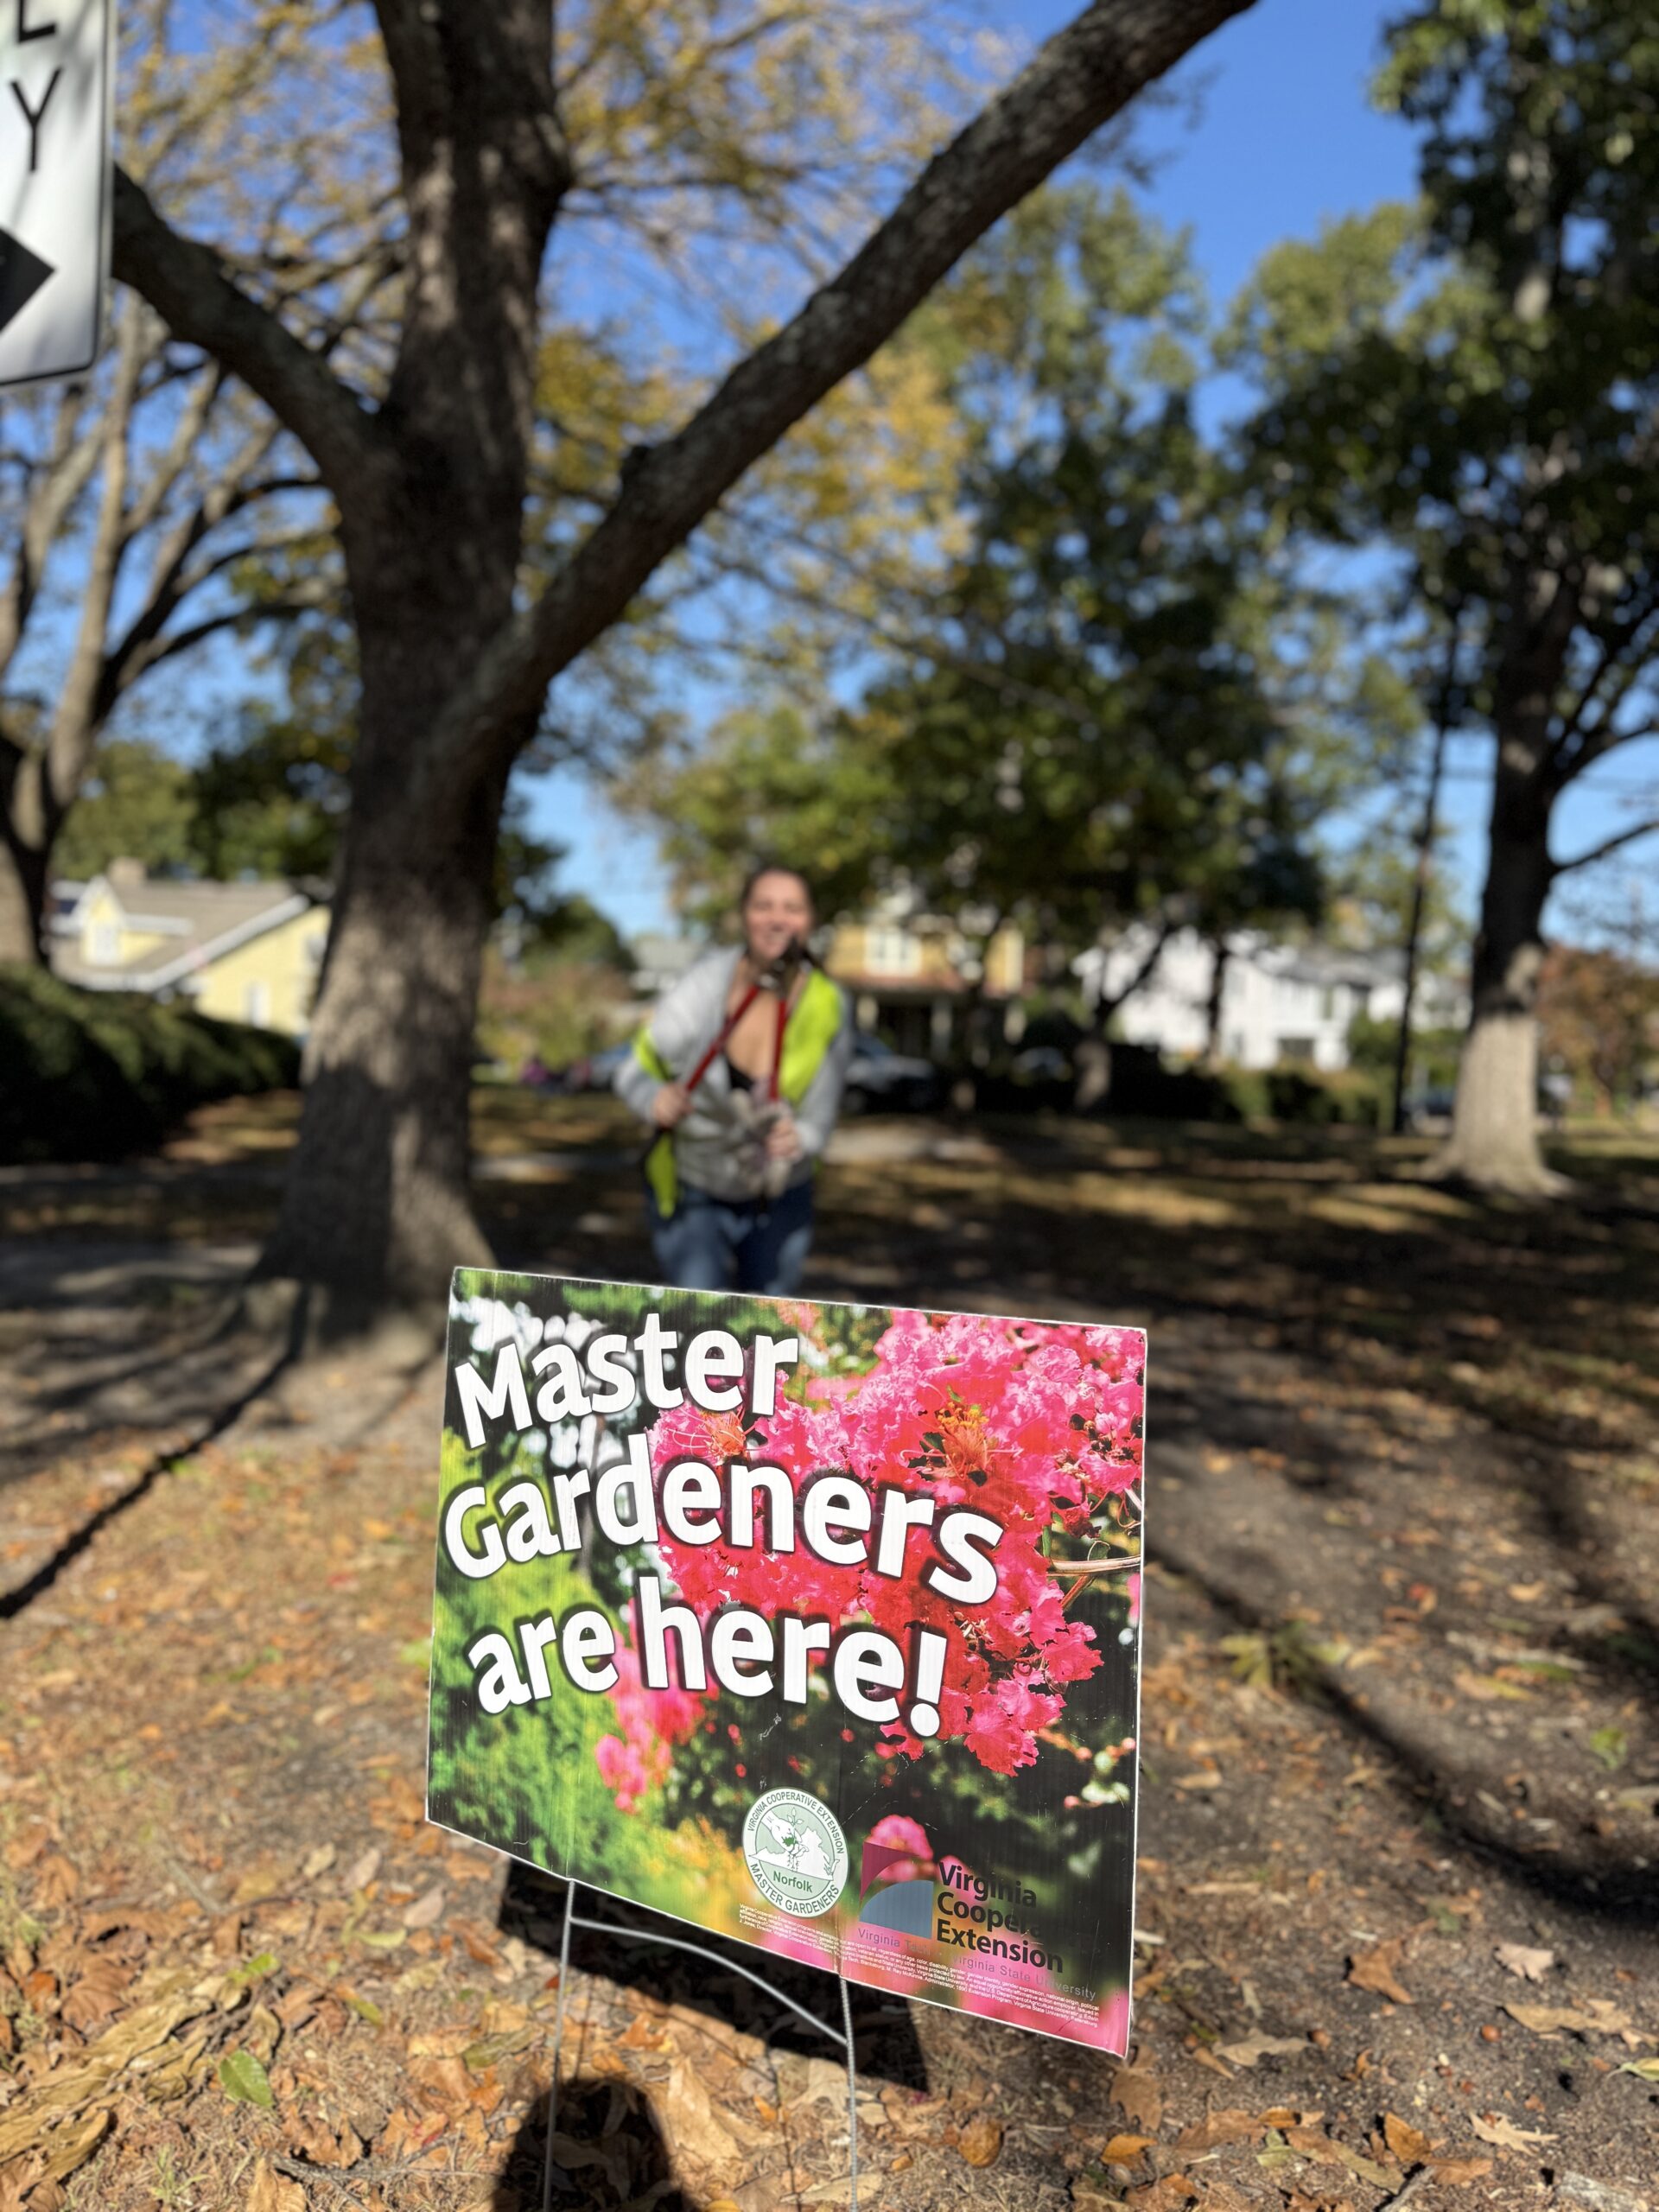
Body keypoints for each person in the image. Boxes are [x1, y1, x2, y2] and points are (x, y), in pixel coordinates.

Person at [615, 865, 852, 1295]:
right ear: (744, 915)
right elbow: (633, 1070)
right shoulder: (704, 983)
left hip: (781, 1193)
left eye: (792, 908)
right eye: (764, 906)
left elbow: (819, 1122)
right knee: (695, 1320)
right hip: (695, 1186)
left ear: (811, 920)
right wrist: (653, 1097)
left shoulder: (829, 1004)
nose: (778, 919)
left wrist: (799, 1137)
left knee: (765, 1325)